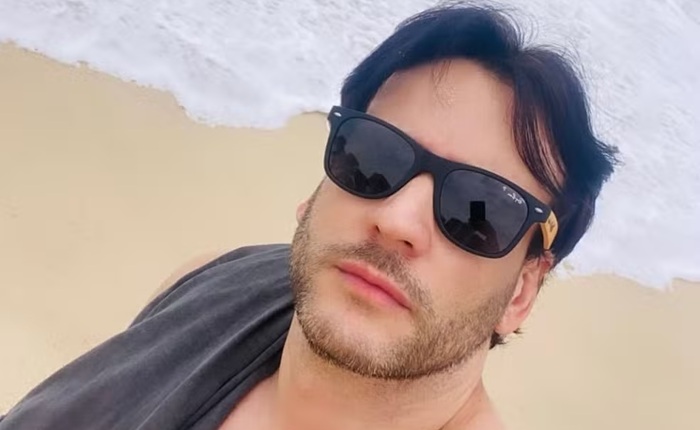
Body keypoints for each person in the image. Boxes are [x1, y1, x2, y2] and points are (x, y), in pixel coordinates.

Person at [0, 4, 618, 430]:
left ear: (521, 293)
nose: (397, 220)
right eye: (373, 157)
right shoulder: (209, 283)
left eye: (476, 210)